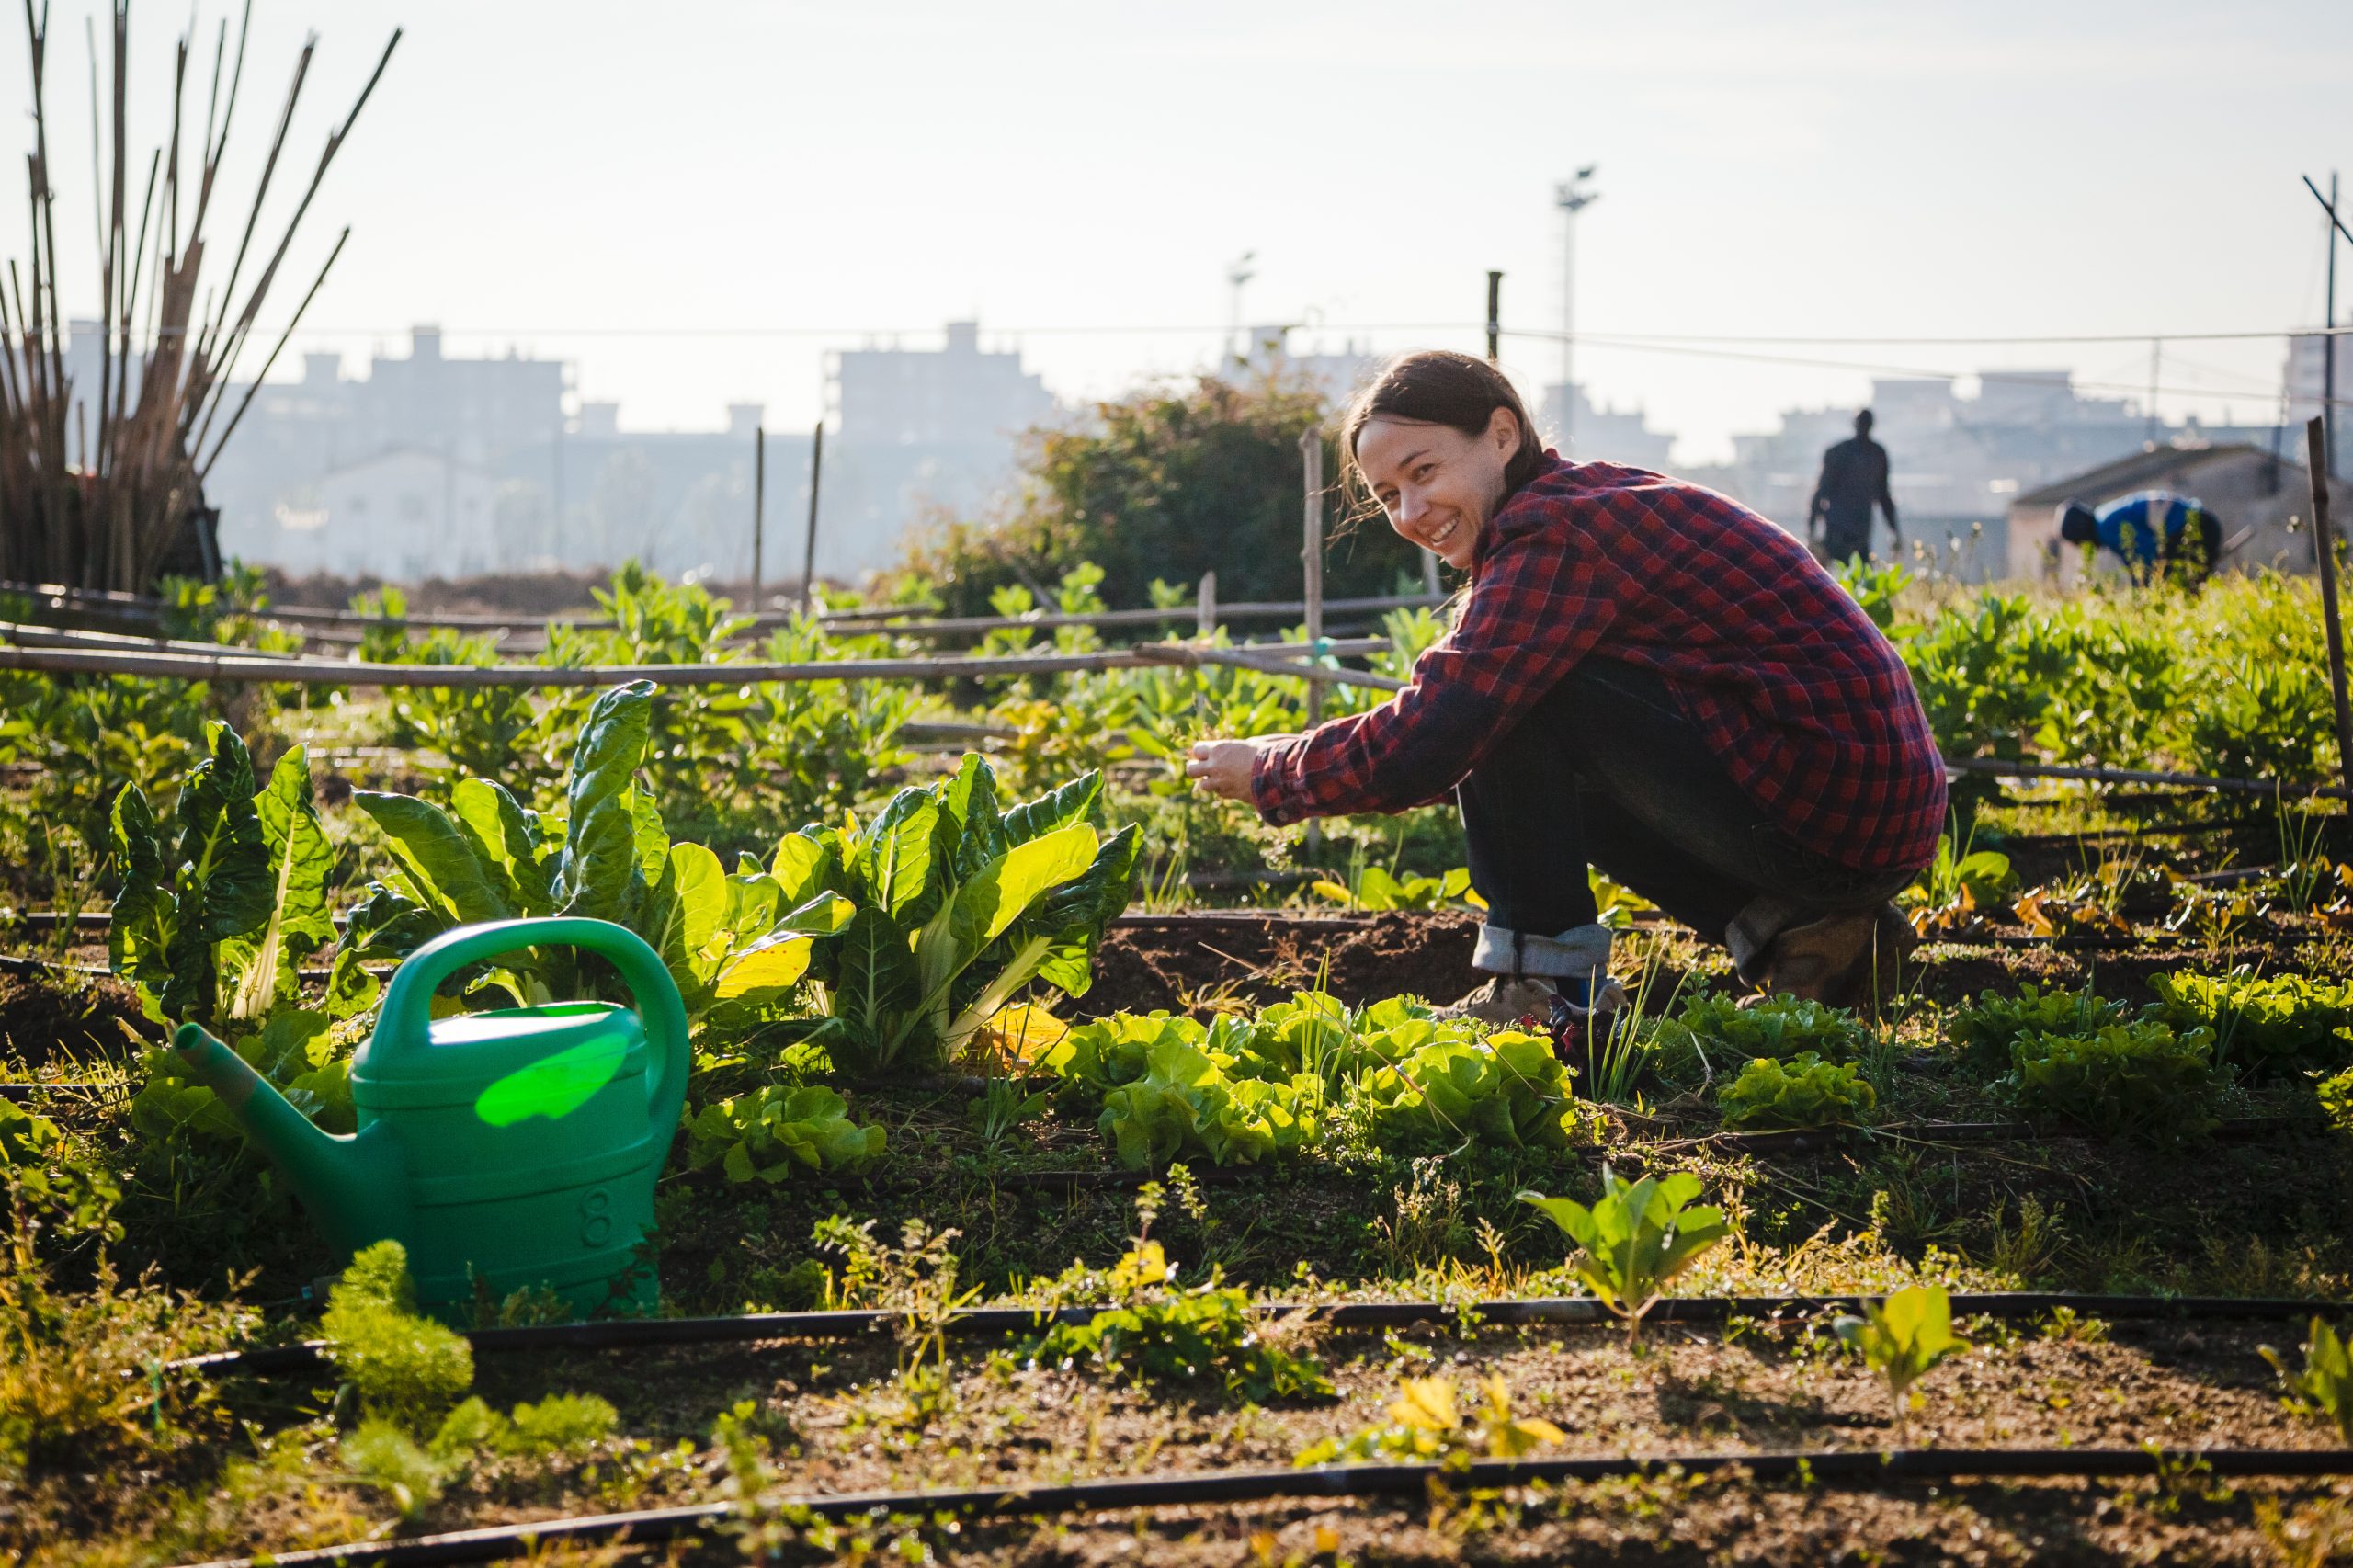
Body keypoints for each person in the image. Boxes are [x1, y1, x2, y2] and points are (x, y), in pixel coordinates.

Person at [1185, 351, 1945, 1034]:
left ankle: (1544, 986)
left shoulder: (1558, 532)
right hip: (1857, 819)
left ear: (1503, 436)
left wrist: (1274, 770)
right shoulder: (1578, 506)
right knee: (1522, 709)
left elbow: (1433, 739)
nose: (1411, 515)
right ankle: (1812, 933)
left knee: (1508, 704)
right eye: (1387, 496)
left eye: (1424, 473)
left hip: (1834, 813)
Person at [2057, 491, 2224, 585]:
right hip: (2204, 523)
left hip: (2199, 530)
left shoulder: (2105, 528)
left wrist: (2141, 593)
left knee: (2176, 582)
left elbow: (2147, 557)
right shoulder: (2104, 515)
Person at [1806, 409, 1901, 565]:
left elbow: (1884, 497)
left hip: (1860, 536)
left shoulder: (1876, 455)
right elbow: (1821, 493)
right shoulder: (1843, 453)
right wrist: (1811, 531)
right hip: (1837, 533)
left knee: (1855, 581)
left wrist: (1895, 531)